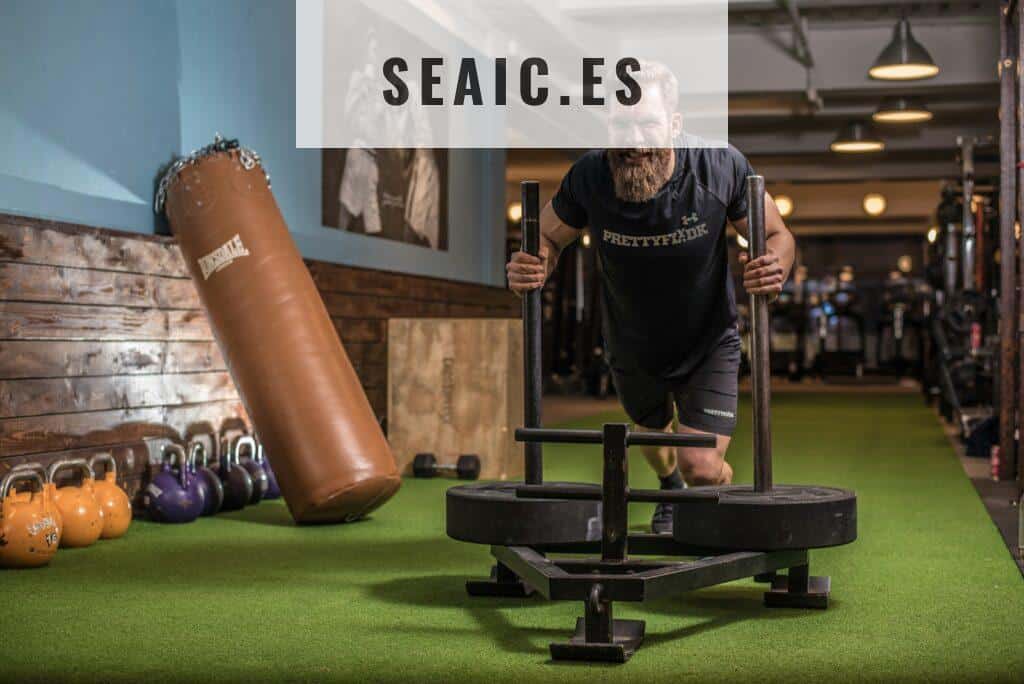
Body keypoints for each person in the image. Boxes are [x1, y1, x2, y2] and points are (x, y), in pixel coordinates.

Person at [506, 62, 795, 533]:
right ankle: (670, 491)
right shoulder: (590, 176)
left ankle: (710, 488)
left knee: (699, 466)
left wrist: (776, 263)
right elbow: (549, 238)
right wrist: (531, 260)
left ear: (674, 125)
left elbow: (779, 235)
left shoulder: (720, 166)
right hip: (632, 341)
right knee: (655, 442)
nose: (635, 140)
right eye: (622, 124)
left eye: (648, 123)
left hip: (708, 340)